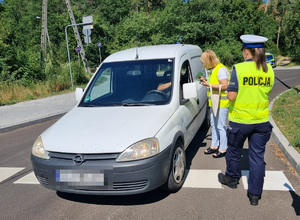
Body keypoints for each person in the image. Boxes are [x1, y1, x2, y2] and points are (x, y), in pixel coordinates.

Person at [218, 35, 274, 206]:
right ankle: (255, 195)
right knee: (257, 157)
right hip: (261, 121)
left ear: (247, 51)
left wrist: (227, 94)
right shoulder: (269, 69)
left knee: (234, 151)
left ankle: (232, 179)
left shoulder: (239, 69)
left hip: (241, 120)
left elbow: (232, 95)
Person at [201, 50, 230, 158]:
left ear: (209, 60)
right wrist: (206, 81)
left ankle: (223, 148)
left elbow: (225, 86)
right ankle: (214, 145)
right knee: (213, 124)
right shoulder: (214, 70)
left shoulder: (221, 69)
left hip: (221, 103)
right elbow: (214, 83)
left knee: (220, 126)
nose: (203, 64)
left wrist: (209, 84)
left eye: (204, 61)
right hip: (214, 102)